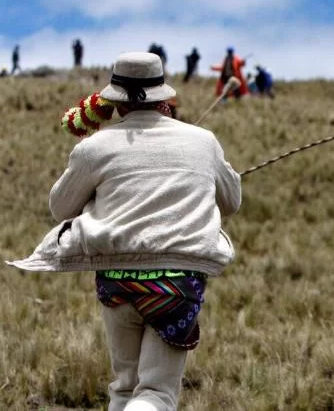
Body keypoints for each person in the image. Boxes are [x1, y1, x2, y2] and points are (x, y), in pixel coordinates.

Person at [5, 52, 242, 411]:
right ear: (164, 98)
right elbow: (232, 200)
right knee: (157, 394)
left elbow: (60, 208)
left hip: (116, 282)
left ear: (114, 102)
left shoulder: (94, 146)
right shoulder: (203, 141)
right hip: (176, 286)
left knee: (124, 388)